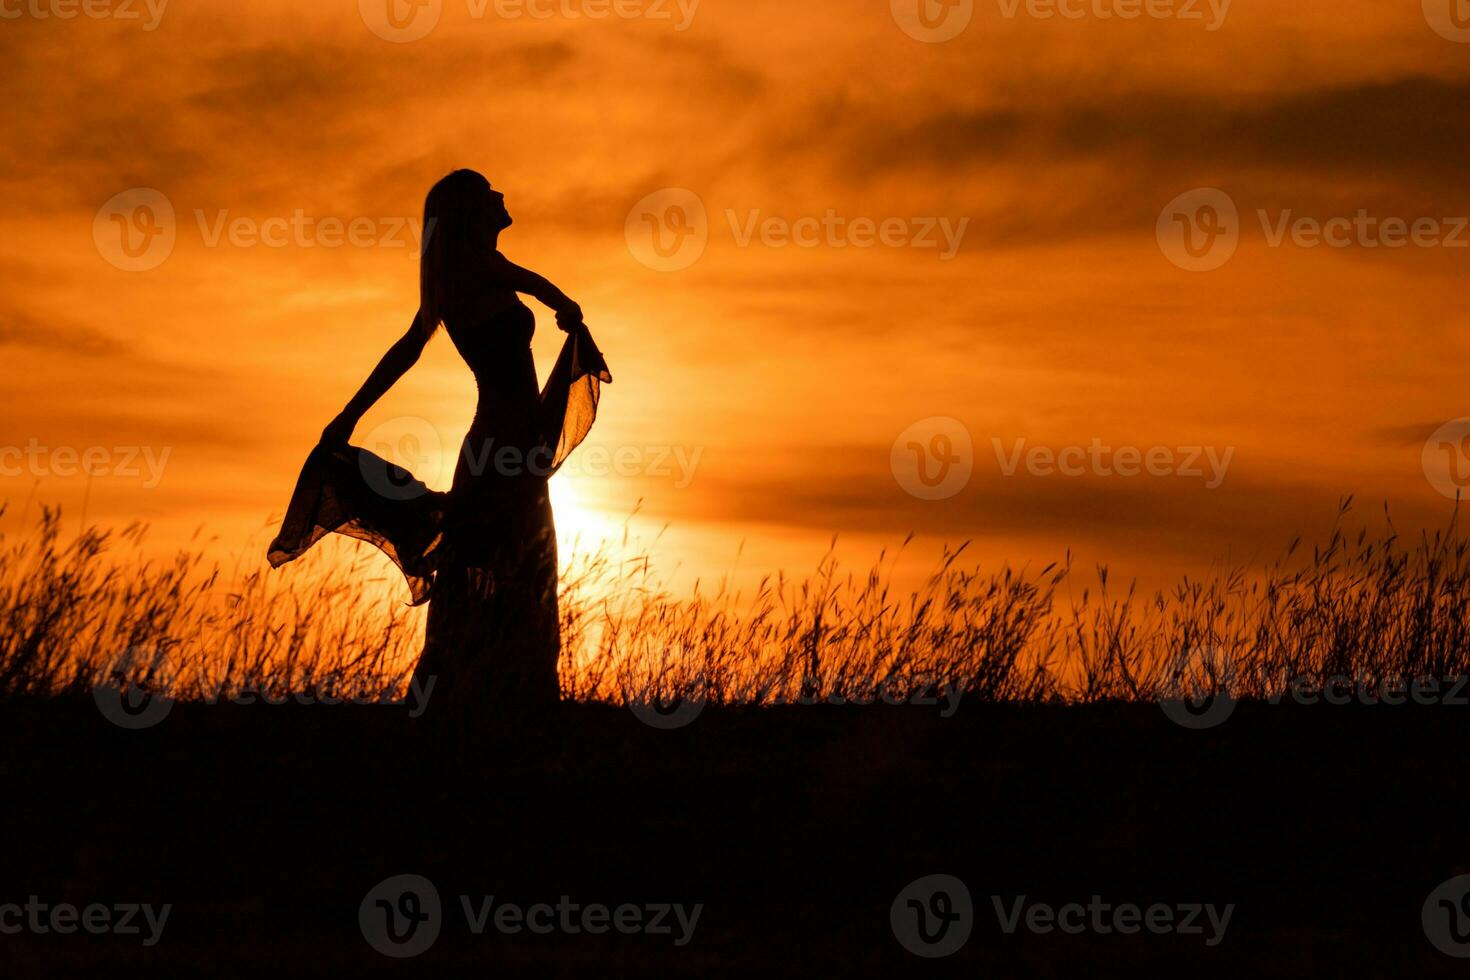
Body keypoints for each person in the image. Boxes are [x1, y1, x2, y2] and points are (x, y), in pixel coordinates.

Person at [268, 169, 611, 715]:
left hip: (502, 446)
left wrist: (347, 416)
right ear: (472, 215)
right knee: (510, 562)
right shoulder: (478, 266)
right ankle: (492, 694)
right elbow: (535, 285)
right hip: (501, 446)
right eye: (488, 192)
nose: (502, 194)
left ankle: (485, 693)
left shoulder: (459, 274)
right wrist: (565, 307)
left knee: (499, 562)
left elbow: (408, 348)